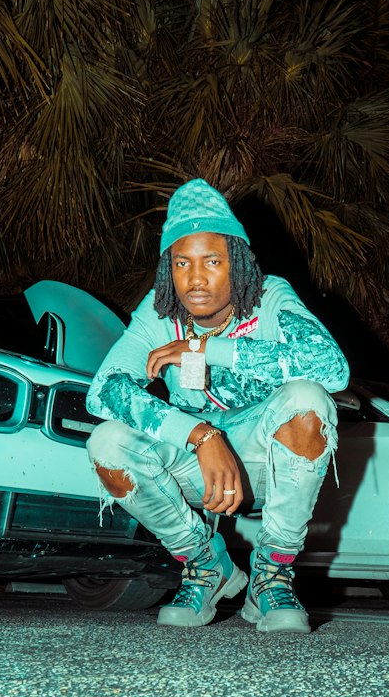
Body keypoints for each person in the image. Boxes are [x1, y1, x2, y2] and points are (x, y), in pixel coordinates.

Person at [86, 179, 350, 632]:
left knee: (308, 400)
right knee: (107, 443)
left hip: (267, 456)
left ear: (239, 266)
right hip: (198, 465)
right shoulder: (158, 311)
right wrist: (199, 435)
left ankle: (272, 573)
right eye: (182, 263)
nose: (196, 278)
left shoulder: (269, 297)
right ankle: (207, 566)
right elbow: (103, 390)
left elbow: (333, 368)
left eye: (213, 261)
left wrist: (210, 352)